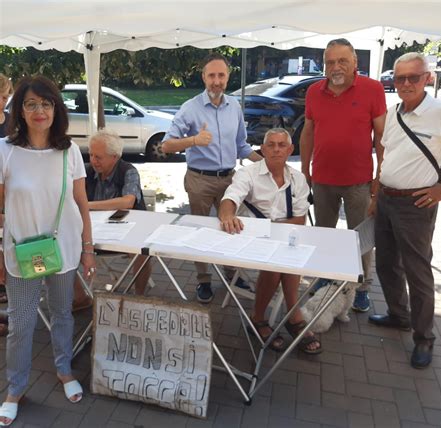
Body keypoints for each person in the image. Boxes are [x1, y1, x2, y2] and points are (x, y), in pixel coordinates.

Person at [0, 76, 96, 426]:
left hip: (64, 247)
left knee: (63, 314)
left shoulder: (68, 151)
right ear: (20, 111)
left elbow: (82, 204)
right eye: (31, 104)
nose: (39, 111)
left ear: (56, 109)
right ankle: (15, 389)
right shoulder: (5, 151)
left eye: (46, 103)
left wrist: (88, 249)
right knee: (20, 324)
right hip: (22, 253)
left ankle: (63, 370)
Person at [368, 53, 441, 369]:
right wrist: (376, 194)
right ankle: (398, 315)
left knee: (418, 272)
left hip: (415, 205)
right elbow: (388, 156)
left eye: (413, 77)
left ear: (428, 78)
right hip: (387, 199)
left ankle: (424, 338)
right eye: (400, 77)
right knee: (386, 263)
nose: (405, 83)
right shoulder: (394, 112)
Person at [162, 52, 262, 303]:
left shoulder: (235, 106)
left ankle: (231, 273)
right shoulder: (190, 108)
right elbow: (166, 146)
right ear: (203, 77)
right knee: (199, 230)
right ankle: (203, 280)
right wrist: (194, 140)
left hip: (230, 180)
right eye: (211, 75)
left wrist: (267, 164)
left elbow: (241, 145)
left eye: (221, 75)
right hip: (200, 180)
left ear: (228, 77)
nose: (216, 81)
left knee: (232, 228)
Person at [300, 38, 386, 312]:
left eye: (342, 61)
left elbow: (382, 137)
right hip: (323, 178)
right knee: (323, 234)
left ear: (354, 63)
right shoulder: (314, 91)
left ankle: (360, 285)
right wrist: (304, 170)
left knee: (359, 237)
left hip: (359, 180)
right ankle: (324, 278)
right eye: (330, 62)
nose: (335, 67)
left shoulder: (372, 89)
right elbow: (308, 131)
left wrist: (379, 177)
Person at [218, 128, 321, 354]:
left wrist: (280, 234)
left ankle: (278, 315)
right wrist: (226, 214)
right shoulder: (248, 173)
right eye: (271, 145)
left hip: (286, 236)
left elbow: (299, 218)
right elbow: (231, 197)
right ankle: (281, 316)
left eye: (281, 145)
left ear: (290, 149)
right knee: (277, 264)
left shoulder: (298, 178)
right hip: (253, 238)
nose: (276, 149)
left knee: (289, 256)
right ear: (262, 150)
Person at [72, 129, 151, 310]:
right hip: (92, 230)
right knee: (63, 248)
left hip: (126, 229)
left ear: (115, 157)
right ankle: (81, 297)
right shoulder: (86, 171)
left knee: (143, 252)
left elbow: (128, 201)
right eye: (91, 154)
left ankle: (139, 297)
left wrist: (87, 205)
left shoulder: (128, 171)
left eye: (99, 157)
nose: (93, 160)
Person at [0, 74, 13, 308]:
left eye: (7, 96)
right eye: (2, 96)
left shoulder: (11, 120)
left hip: (9, 192)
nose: (5, 101)